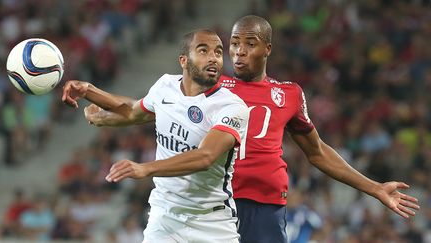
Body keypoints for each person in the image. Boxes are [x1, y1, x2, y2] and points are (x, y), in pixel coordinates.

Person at [219, 15, 420, 243]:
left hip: (265, 206)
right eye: (235, 43)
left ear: (268, 48)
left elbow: (318, 152)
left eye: (250, 43)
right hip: (215, 200)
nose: (240, 51)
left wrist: (375, 188)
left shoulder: (289, 94)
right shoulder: (214, 88)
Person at [62, 29, 249, 242]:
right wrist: (89, 91)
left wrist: (145, 168)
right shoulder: (165, 86)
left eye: (217, 52)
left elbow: (205, 156)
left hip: (212, 222)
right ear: (184, 60)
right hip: (165, 216)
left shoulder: (232, 106)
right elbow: (133, 110)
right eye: (203, 50)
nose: (213, 58)